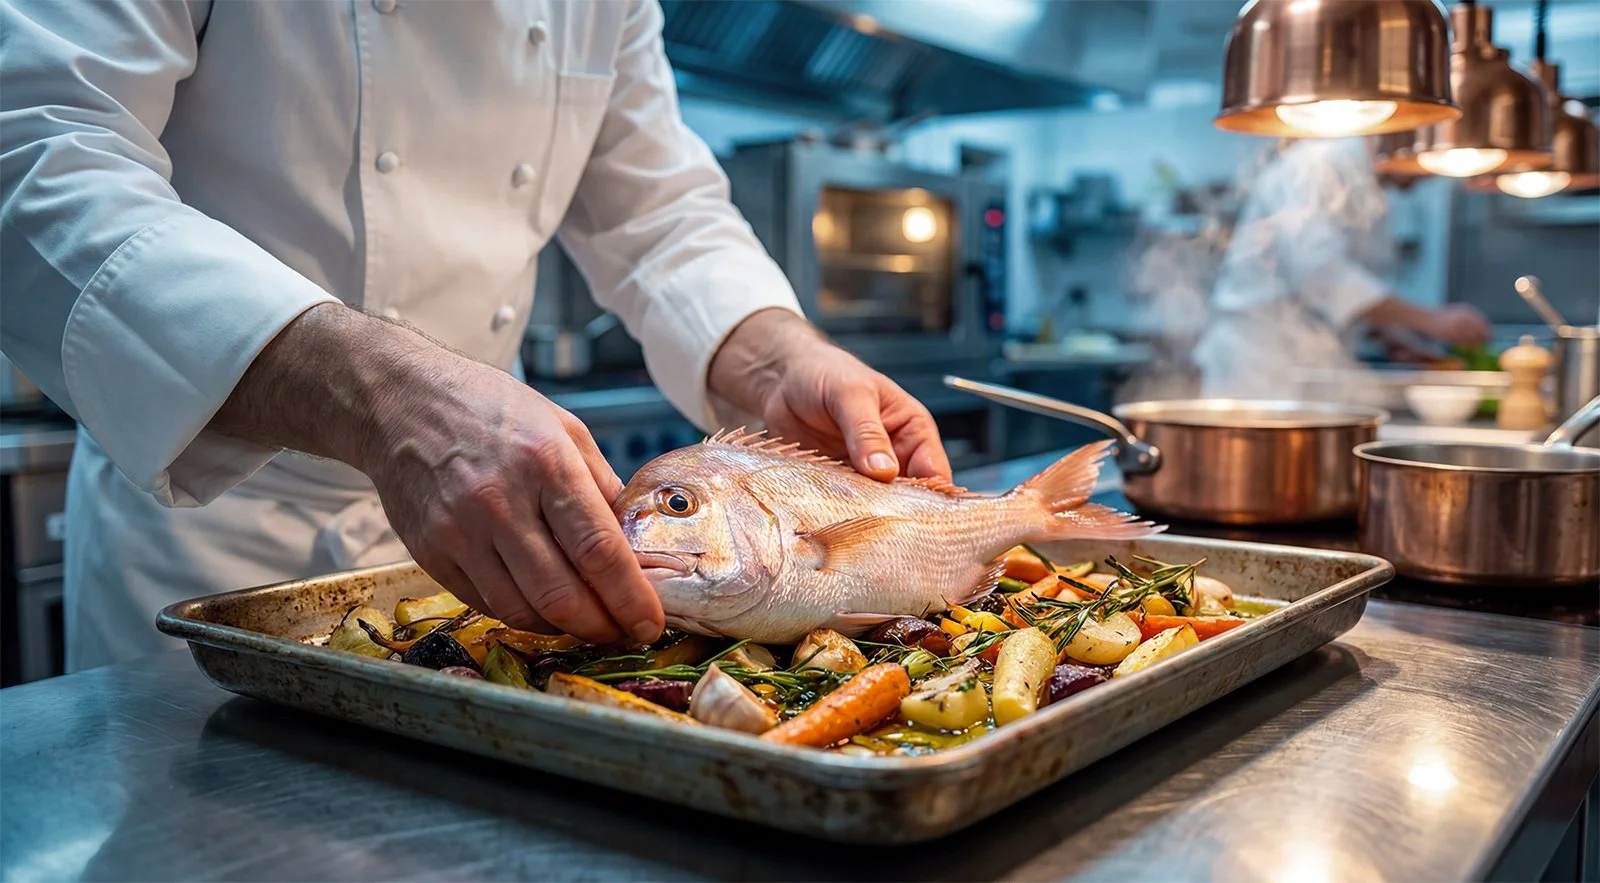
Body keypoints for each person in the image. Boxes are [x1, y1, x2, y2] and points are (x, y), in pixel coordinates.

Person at [0, 0, 949, 671]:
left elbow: (658, 213)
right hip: (211, 534)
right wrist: (381, 397)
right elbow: (33, 150)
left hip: (496, 537)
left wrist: (777, 356)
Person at [1193, 136, 1492, 398]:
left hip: (1314, 359)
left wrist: (1392, 337)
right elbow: (1321, 272)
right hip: (1259, 362)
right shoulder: (1317, 165)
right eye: (1432, 164)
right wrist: (1431, 321)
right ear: (1403, 139)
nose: (1431, 177)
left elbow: (1347, 291)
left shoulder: (1371, 190)